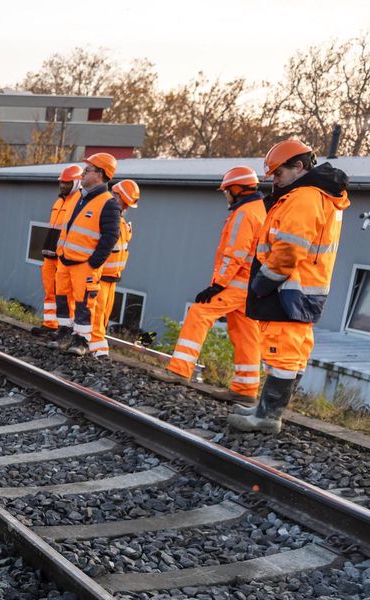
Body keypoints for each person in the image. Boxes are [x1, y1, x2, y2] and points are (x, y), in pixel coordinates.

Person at [228, 140, 349, 433]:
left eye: (279, 173)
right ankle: (267, 409)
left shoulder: (304, 198)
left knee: (281, 354)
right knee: (291, 354)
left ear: (299, 166)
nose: (275, 180)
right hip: (300, 289)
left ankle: (268, 416)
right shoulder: (312, 195)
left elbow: (289, 249)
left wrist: (263, 281)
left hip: (288, 289)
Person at [161, 166, 266, 404]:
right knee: (246, 333)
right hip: (252, 286)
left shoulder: (244, 214)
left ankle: (179, 369)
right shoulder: (261, 210)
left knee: (199, 313)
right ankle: (246, 389)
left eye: (227, 191)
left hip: (236, 283)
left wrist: (217, 285)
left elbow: (235, 253)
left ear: (237, 189)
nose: (225, 196)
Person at [50, 152, 122, 356]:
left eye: (87, 170)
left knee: (84, 304)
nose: (83, 174)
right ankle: (64, 333)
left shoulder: (109, 203)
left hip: (85, 264)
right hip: (65, 259)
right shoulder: (80, 198)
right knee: (63, 298)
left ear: (99, 175)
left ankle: (81, 341)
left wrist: (94, 263)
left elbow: (110, 236)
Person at [88, 179, 138, 358]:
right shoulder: (108, 218)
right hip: (100, 276)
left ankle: (96, 347)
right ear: (117, 197)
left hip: (112, 279)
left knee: (104, 315)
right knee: (96, 314)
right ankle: (97, 350)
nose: (126, 207)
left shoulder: (122, 222)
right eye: (125, 202)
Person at [35, 164, 83, 334]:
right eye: (61, 182)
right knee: (50, 291)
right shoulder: (59, 200)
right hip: (50, 254)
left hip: (63, 256)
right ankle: (50, 324)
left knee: (65, 295)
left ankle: (64, 328)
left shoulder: (79, 202)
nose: (63, 185)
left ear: (77, 183)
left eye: (67, 183)